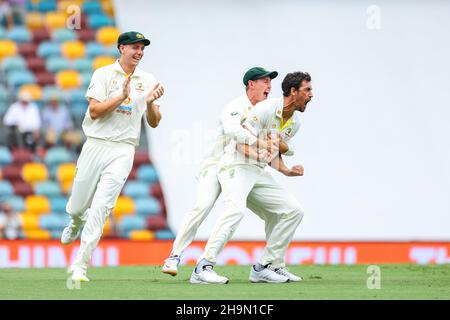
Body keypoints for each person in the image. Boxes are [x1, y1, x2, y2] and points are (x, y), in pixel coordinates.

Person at [162, 67, 300, 276]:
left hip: (248, 166)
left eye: (270, 82)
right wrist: (260, 144)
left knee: (281, 211)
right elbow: (234, 133)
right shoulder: (236, 106)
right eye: (264, 81)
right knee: (203, 206)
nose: (269, 86)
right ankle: (174, 256)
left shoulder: (267, 111)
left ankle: (271, 265)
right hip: (217, 163)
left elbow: (273, 147)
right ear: (251, 84)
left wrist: (284, 166)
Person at [60, 31, 164, 282]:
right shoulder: (103, 74)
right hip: (96, 144)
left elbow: (154, 122)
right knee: (78, 205)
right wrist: (120, 96)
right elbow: (94, 112)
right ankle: (75, 220)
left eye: (142, 48)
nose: (139, 52)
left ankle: (80, 265)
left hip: (124, 149)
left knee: (102, 207)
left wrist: (150, 104)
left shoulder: (148, 79)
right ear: (121, 48)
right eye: (134, 47)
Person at [191, 71, 313, 284]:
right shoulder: (265, 109)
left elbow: (273, 152)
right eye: (307, 90)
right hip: (235, 165)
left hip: (257, 171)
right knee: (235, 210)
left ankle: (267, 266)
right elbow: (239, 143)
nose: (311, 95)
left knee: (292, 211)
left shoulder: (295, 122)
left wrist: (286, 170)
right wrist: (261, 149)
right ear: (293, 92)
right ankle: (203, 267)